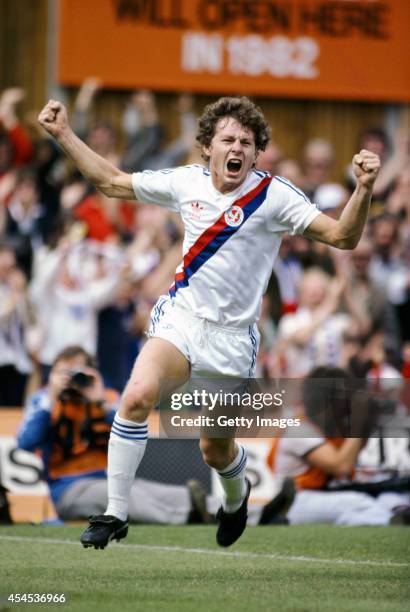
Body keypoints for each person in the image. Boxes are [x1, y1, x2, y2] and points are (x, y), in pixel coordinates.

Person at [37, 95, 380, 549]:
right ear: (207, 147)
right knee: (137, 396)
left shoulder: (274, 195)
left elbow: (342, 236)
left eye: (246, 141)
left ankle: (237, 501)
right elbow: (112, 181)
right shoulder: (186, 182)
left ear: (256, 153)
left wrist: (363, 189)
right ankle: (114, 512)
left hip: (233, 342)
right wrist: (63, 134)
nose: (237, 147)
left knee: (214, 448)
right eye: (227, 139)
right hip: (182, 319)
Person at [17, 346, 209, 526]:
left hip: (107, 478)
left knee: (162, 493)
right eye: (63, 373)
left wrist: (100, 402)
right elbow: (25, 443)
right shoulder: (43, 400)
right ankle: (187, 516)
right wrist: (51, 398)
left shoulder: (105, 397)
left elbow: (136, 431)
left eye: (77, 373)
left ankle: (224, 509)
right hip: (69, 489)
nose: (71, 380)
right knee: (125, 497)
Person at [266, 366, 410, 525]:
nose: (346, 404)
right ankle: (391, 522)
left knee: (389, 496)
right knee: (357, 502)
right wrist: (357, 422)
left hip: (327, 495)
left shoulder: (329, 428)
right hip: (296, 502)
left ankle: (397, 513)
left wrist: (368, 420)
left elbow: (350, 455)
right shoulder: (298, 429)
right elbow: (341, 466)